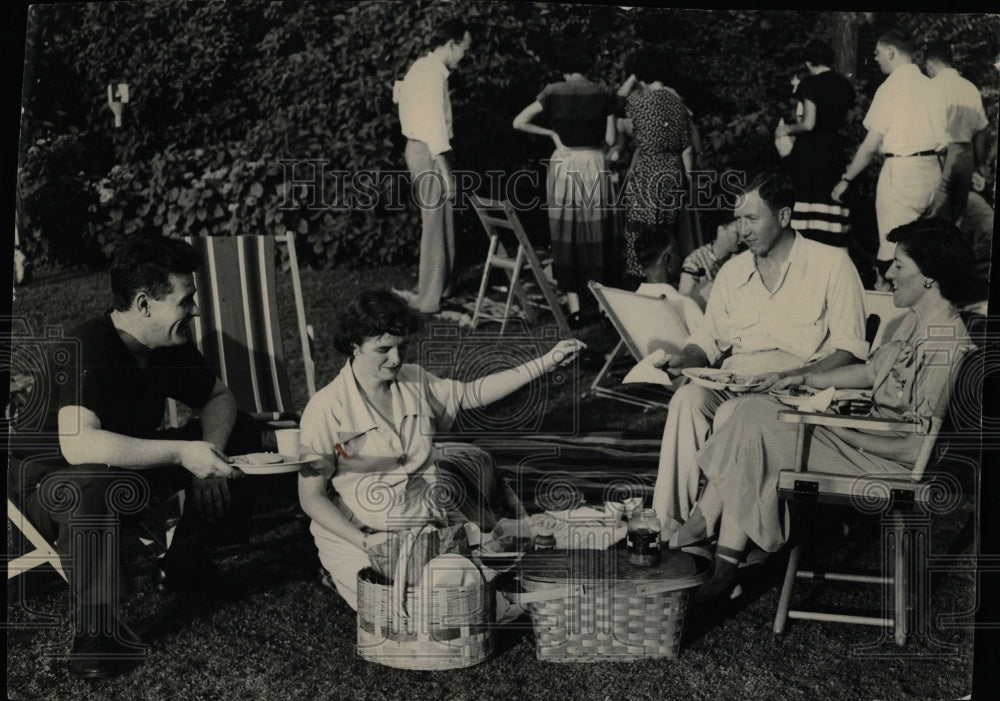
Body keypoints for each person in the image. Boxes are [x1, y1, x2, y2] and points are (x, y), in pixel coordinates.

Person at [9, 236, 261, 679]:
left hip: (119, 469)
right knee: (93, 482)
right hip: (50, 487)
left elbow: (219, 397)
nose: (196, 310)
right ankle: (96, 629)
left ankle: (187, 558)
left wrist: (209, 459)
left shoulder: (168, 344)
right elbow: (80, 446)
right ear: (145, 304)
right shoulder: (91, 345)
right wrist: (184, 452)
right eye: (187, 300)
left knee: (240, 427)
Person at [689, 218, 977, 601]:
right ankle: (725, 558)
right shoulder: (916, 322)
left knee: (751, 417)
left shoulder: (945, 347)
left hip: (888, 464)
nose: (888, 273)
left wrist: (845, 433)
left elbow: (914, 449)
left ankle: (714, 545)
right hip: (864, 438)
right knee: (750, 410)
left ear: (930, 278)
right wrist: (804, 379)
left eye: (899, 266)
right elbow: (873, 370)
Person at [297, 289, 585, 611]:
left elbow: (472, 393)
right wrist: (364, 541)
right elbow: (311, 496)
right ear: (354, 345)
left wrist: (546, 362)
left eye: (402, 347)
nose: (395, 359)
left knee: (466, 588)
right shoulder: (325, 409)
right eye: (383, 349)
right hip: (361, 536)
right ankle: (339, 572)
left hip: (424, 530)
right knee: (422, 610)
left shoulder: (414, 380)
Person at [650, 169, 868, 545]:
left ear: (783, 217)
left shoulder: (831, 265)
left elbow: (850, 350)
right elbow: (709, 338)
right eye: (738, 220)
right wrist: (685, 357)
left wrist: (798, 374)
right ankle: (667, 523)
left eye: (752, 219)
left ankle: (710, 533)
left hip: (794, 394)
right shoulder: (733, 273)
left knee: (733, 413)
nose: (743, 230)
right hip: (736, 381)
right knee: (686, 400)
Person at [513, 37, 617, 325]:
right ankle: (603, 307)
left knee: (566, 231)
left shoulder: (552, 91)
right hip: (594, 162)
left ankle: (575, 309)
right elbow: (610, 139)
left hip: (564, 163)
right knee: (597, 231)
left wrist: (552, 135)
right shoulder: (604, 91)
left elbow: (518, 121)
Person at [832, 30, 948, 285]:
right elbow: (944, 143)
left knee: (894, 250)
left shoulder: (891, 87)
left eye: (877, 53)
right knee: (924, 250)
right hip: (932, 172)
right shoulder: (933, 86)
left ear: (891, 52)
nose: (875, 59)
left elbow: (870, 145)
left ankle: (888, 302)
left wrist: (846, 179)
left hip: (901, 173)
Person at [392, 19, 472, 314]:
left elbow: (399, 97)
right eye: (464, 48)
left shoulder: (424, 69)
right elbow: (434, 128)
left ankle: (444, 285)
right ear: (451, 45)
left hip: (423, 149)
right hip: (427, 151)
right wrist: (448, 175)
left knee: (443, 218)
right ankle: (429, 298)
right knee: (435, 221)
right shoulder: (430, 75)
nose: (465, 55)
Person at [614, 47, 693, 283]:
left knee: (642, 233)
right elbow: (686, 144)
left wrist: (630, 80)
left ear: (640, 74)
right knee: (667, 233)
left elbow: (613, 104)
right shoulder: (678, 101)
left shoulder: (639, 102)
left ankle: (642, 281)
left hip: (648, 171)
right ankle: (668, 280)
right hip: (673, 170)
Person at [776, 40, 856, 247]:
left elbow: (809, 123)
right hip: (835, 151)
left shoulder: (809, 84)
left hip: (810, 154)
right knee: (831, 210)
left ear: (809, 61)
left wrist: (787, 129)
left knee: (807, 213)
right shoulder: (844, 84)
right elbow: (844, 120)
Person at [923, 40, 991, 224]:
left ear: (930, 65)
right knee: (958, 216)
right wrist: (978, 165)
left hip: (944, 154)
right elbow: (982, 131)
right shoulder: (970, 88)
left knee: (936, 213)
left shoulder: (932, 87)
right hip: (966, 154)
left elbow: (929, 128)